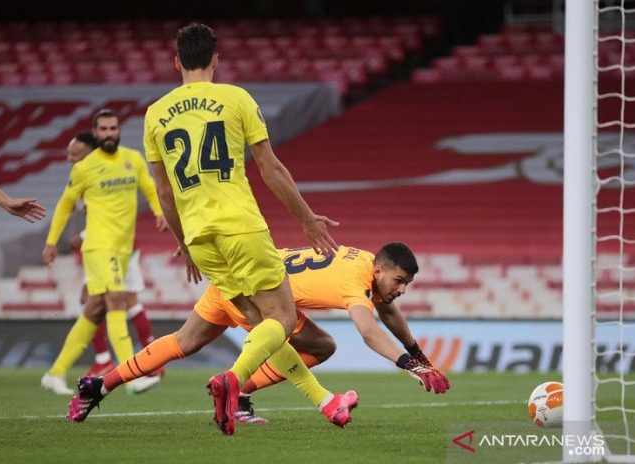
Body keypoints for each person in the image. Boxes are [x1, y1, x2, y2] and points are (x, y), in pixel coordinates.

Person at [68, 23, 351, 436]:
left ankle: (100, 384)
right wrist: (306, 218)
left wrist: (184, 242)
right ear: (216, 59)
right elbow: (270, 167)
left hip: (200, 238)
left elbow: (164, 193)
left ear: (177, 61)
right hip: (240, 227)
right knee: (282, 318)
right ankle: (232, 383)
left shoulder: (155, 114)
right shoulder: (235, 98)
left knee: (256, 325)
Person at [67, 243, 450, 425]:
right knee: (320, 344)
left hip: (237, 281)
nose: (400, 290)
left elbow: (389, 312)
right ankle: (241, 394)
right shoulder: (356, 281)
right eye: (399, 281)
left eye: (406, 285)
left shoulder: (367, 261)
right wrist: (409, 366)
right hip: (258, 295)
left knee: (182, 343)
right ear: (382, 270)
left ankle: (98, 387)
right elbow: (368, 331)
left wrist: (418, 355)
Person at [41, 110, 167, 395]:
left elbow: (149, 187)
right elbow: (64, 205)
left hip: (123, 249)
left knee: (95, 310)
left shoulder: (132, 159)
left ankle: (55, 372)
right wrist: (51, 243)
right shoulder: (85, 168)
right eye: (103, 129)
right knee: (117, 300)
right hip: (99, 246)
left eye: (113, 128)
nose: (108, 133)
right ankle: (131, 375)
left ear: (118, 130)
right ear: (96, 133)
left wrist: (159, 212)